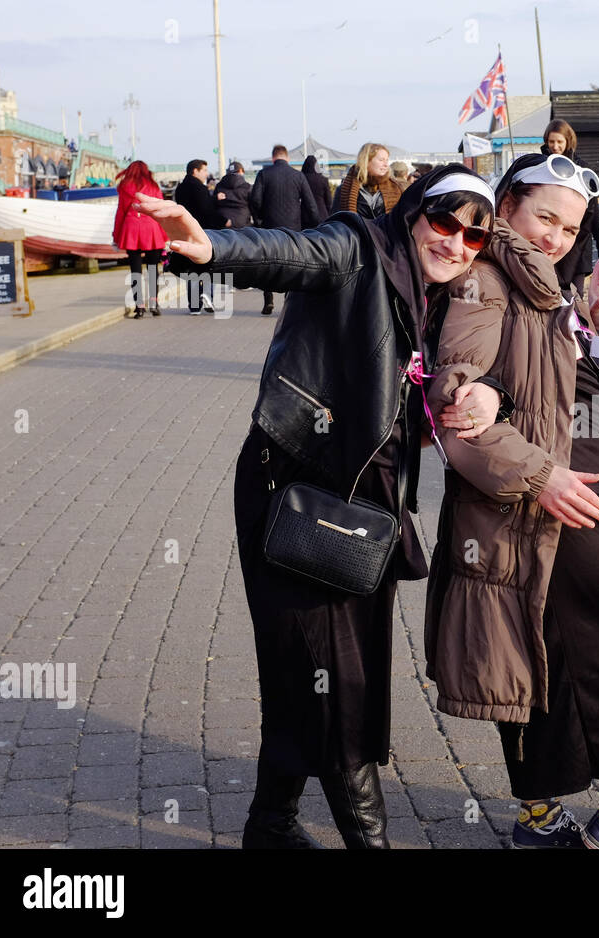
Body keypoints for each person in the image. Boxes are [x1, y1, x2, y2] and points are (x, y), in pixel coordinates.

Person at [137, 165, 506, 849]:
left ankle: (270, 824)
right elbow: (294, 254)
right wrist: (215, 247)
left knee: (308, 670)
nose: (456, 243)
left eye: (473, 237)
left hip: (364, 510)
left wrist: (490, 397)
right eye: (445, 222)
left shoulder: (434, 296)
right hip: (301, 495)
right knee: (339, 683)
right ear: (416, 212)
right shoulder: (360, 247)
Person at [424, 152, 599, 850]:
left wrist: (594, 336)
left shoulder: (541, 283)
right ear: (505, 207)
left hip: (584, 504)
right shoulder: (485, 282)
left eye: (570, 229)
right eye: (545, 217)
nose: (556, 237)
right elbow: (457, 412)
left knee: (551, 654)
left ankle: (539, 815)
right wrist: (544, 476)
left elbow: (547, 391)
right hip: (553, 511)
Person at [248, 144, 320, 315]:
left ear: (273, 158)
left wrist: (259, 220)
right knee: (291, 263)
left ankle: (268, 300)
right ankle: (289, 300)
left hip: (268, 227)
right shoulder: (298, 175)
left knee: (267, 263)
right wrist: (316, 225)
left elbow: (255, 200)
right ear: (287, 157)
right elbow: (310, 204)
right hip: (293, 228)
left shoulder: (264, 174)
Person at [541, 119, 599, 296]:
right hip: (549, 238)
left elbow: (594, 209)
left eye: (559, 142)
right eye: (551, 141)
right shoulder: (540, 166)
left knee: (575, 296)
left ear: (568, 141)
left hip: (578, 240)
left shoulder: (583, 169)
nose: (555, 146)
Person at [173, 159, 229, 314]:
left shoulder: (180, 188)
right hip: (203, 232)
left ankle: (194, 305)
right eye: (204, 170)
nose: (206, 173)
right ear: (195, 171)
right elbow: (206, 210)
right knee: (209, 264)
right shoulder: (199, 188)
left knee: (191, 268)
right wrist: (224, 221)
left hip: (186, 233)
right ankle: (208, 295)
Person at [111, 160, 165, 319]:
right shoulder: (153, 186)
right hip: (151, 228)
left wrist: (116, 236)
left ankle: (139, 306)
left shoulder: (124, 187)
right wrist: (165, 236)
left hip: (131, 227)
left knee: (135, 269)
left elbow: (120, 213)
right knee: (153, 268)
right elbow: (160, 210)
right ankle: (154, 303)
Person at [333, 143, 404, 220]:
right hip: (356, 232)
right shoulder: (344, 190)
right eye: (381, 160)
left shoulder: (396, 189)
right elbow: (334, 222)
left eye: (387, 160)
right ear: (366, 161)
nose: (386, 165)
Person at [215, 161, 253, 230]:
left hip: (223, 223)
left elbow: (214, 203)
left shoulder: (219, 185)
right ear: (241, 170)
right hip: (242, 223)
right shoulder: (247, 187)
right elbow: (254, 205)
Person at [301, 155, 332, 222]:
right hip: (322, 214)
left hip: (305, 215)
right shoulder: (323, 178)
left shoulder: (302, 178)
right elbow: (328, 200)